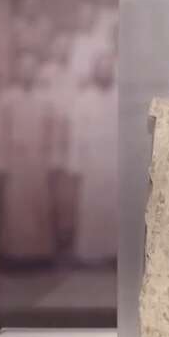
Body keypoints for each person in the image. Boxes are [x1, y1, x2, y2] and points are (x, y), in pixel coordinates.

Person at [0, 52, 57, 264]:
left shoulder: (46, 99)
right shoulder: (6, 98)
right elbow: (0, 134)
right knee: (15, 206)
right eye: (23, 68)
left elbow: (52, 133)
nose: (27, 72)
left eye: (31, 68)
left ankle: (39, 254)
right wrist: (0, 165)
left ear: (36, 71)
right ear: (17, 71)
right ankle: (15, 255)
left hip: (39, 158)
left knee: (38, 205)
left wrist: (52, 161)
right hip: (15, 159)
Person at [69, 51, 117, 264]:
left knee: (114, 206)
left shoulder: (119, 96)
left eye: (108, 68)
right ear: (95, 72)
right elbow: (76, 134)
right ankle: (92, 254)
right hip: (92, 161)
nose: (105, 72)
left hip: (115, 160)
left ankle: (114, 253)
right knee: (92, 207)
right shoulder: (84, 99)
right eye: (101, 68)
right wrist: (75, 165)